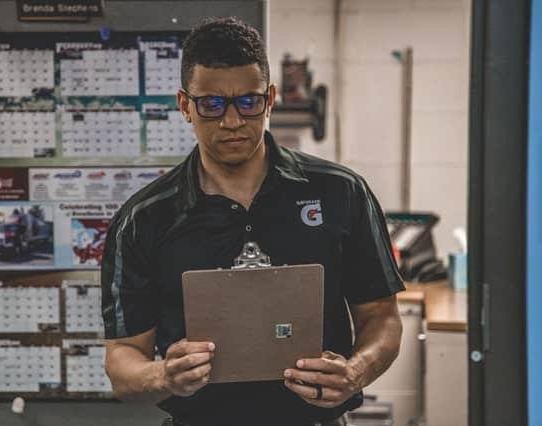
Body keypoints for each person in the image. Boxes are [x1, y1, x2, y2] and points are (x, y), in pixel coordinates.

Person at [101, 16, 404, 426]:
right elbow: (122, 358)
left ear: (271, 99)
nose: (232, 121)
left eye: (248, 102)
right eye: (211, 104)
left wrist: (355, 373)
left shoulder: (341, 193)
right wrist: (163, 374)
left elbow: (382, 318)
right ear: (184, 105)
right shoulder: (143, 219)